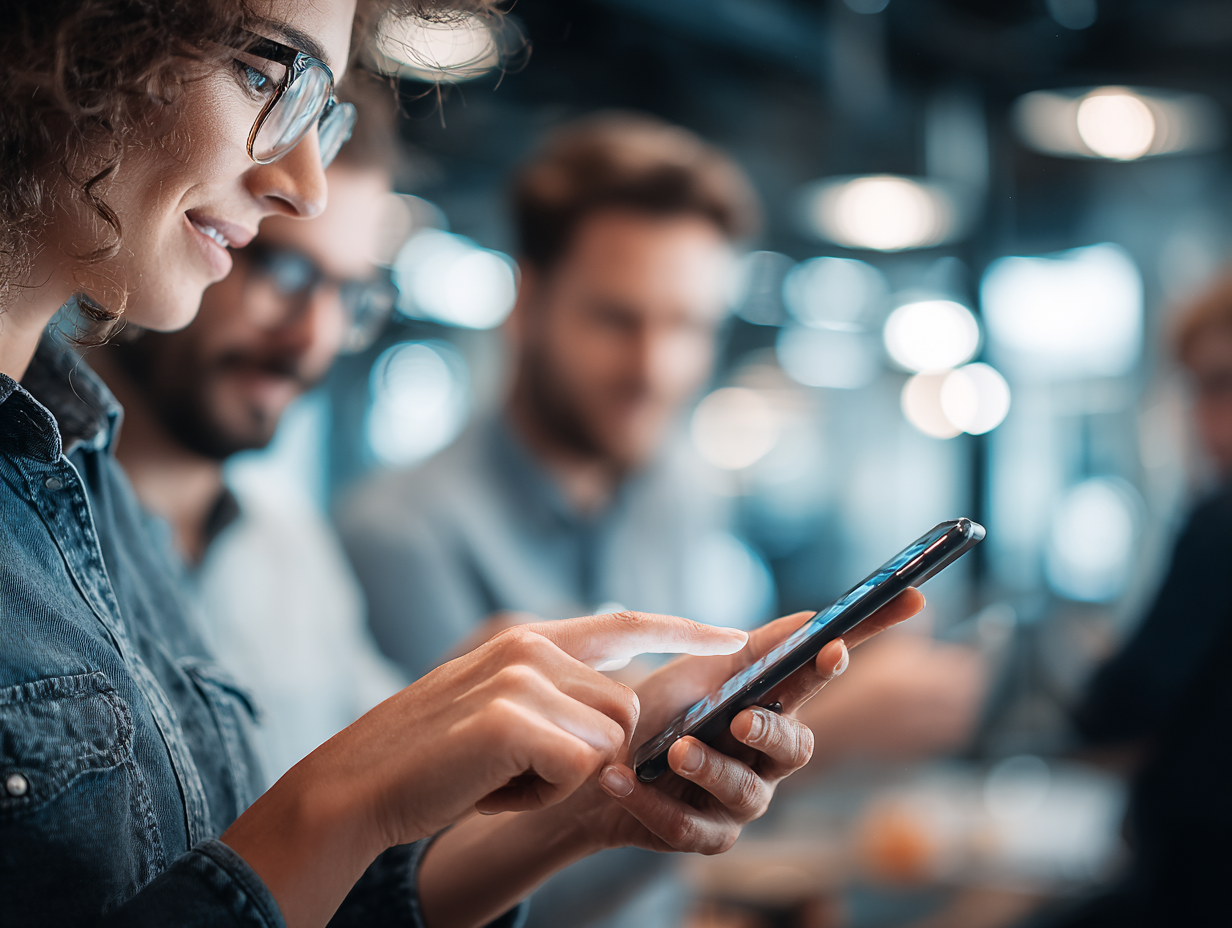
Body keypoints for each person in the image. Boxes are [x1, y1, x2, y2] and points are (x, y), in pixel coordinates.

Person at [0, 3, 924, 927]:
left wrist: (600, 804)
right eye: (260, 71)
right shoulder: (391, 531)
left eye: (687, 326)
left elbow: (295, 893)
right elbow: (284, 856)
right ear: (77, 45)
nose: (303, 185)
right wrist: (348, 798)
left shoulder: (96, 491)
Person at [338, 113, 984, 928]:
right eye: (617, 319)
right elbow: (416, 893)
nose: (655, 368)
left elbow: (670, 851)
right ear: (529, 301)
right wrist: (830, 741)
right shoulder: (401, 537)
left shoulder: (677, 491)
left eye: (686, 325)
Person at [87, 76, 408, 786]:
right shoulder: (33, 526)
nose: (312, 338)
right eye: (284, 268)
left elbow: (388, 796)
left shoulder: (291, 549)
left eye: (348, 295)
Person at [1048, 276, 1232, 927]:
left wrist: (1087, 664)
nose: (1203, 418)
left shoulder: (1221, 522)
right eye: (1197, 389)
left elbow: (1116, 712)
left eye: (1221, 384)